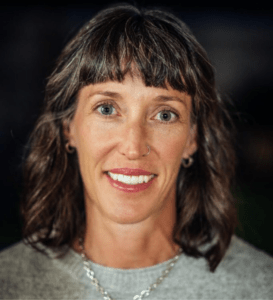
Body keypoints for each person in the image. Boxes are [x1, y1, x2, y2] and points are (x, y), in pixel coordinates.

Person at [0, 3, 272, 300]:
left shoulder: (259, 286)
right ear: (69, 128)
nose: (133, 147)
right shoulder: (9, 282)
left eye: (165, 115)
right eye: (107, 109)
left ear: (192, 138)